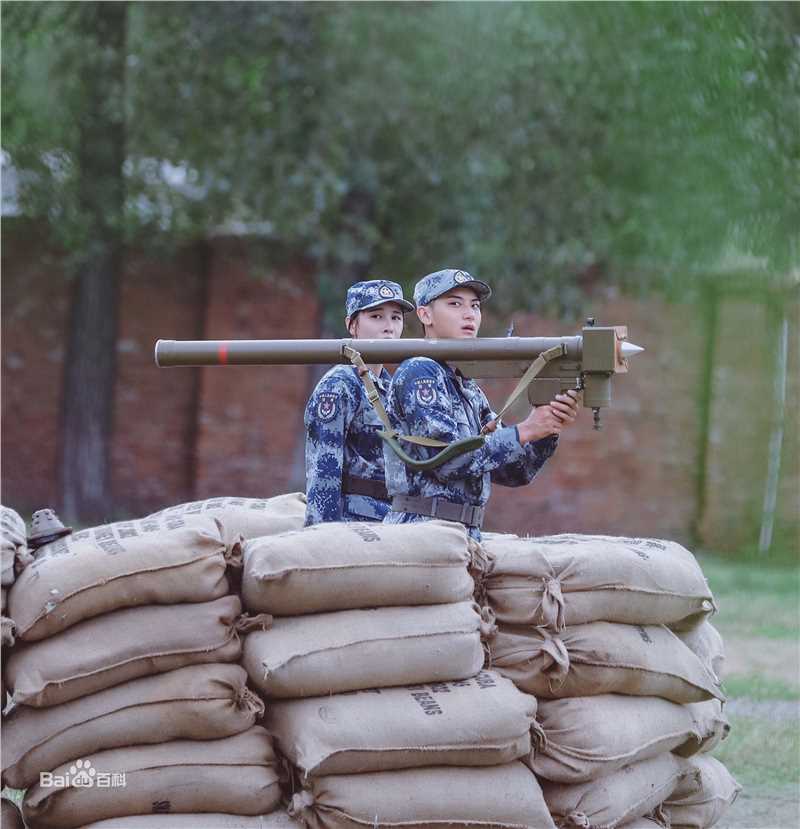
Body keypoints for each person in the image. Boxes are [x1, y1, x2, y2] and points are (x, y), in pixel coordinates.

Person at [382, 268, 580, 539]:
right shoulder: (420, 372)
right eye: (455, 304)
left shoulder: (466, 385)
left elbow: (514, 472)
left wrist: (546, 428)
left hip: (463, 534)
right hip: (422, 534)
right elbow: (447, 463)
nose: (469, 314)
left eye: (475, 306)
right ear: (425, 314)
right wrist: (525, 430)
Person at [304, 279, 415, 526]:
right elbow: (324, 472)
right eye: (376, 317)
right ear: (352, 325)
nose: (389, 327)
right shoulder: (339, 385)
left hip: (394, 519)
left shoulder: (393, 386)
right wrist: (323, 537)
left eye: (396, 318)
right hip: (353, 522)